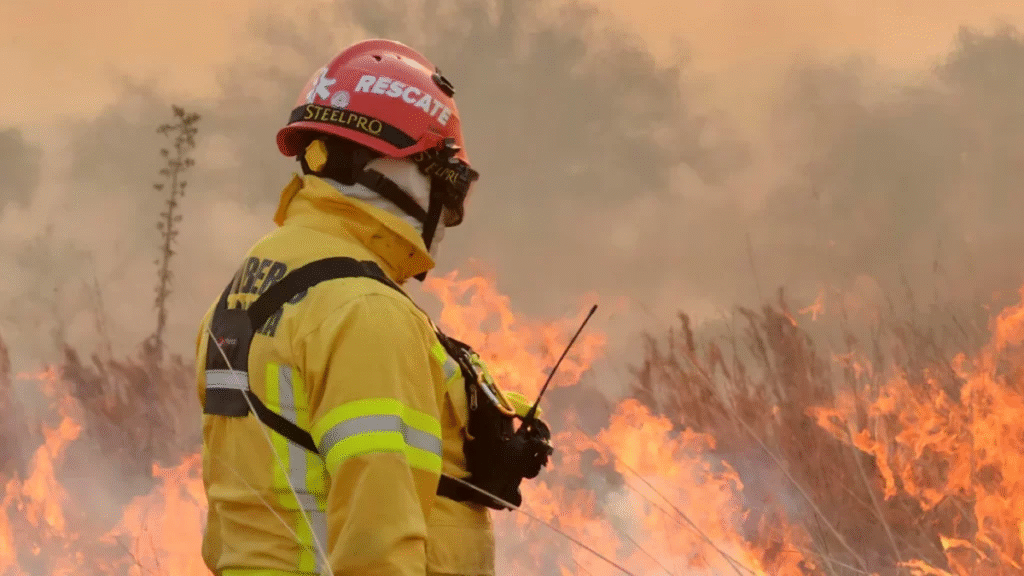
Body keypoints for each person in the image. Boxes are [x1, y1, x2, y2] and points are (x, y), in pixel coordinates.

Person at [193, 39, 552, 576]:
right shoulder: (365, 312)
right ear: (395, 169)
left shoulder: (252, 288)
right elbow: (377, 537)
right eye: (446, 183)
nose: (447, 211)